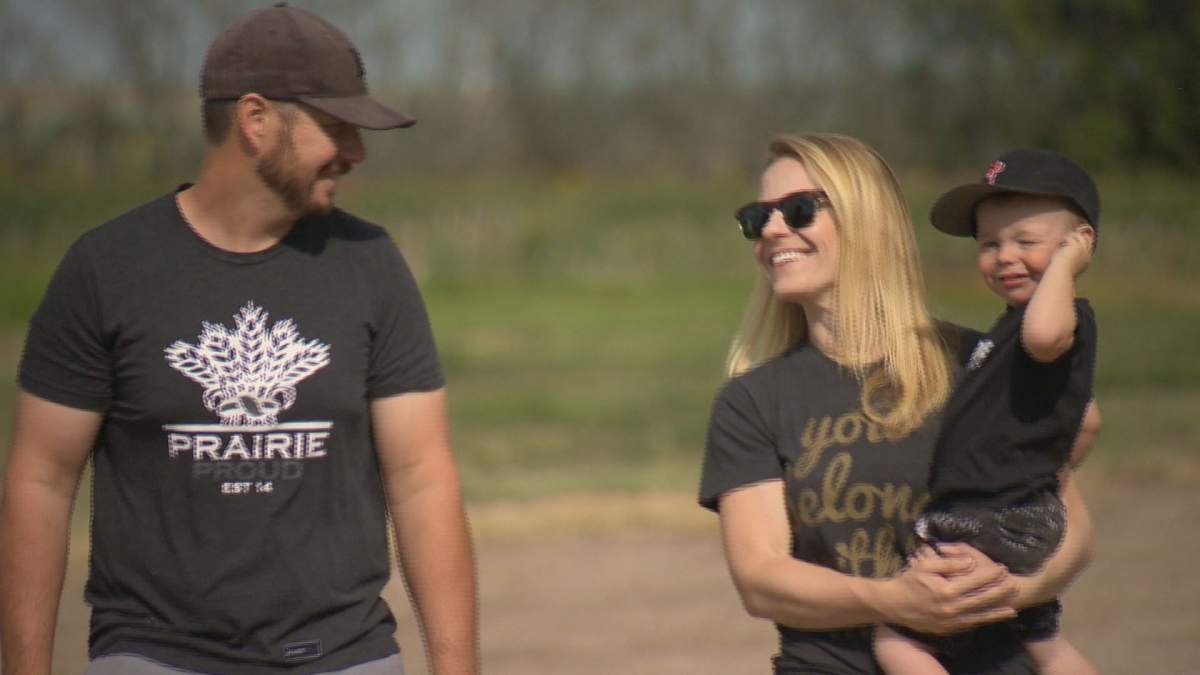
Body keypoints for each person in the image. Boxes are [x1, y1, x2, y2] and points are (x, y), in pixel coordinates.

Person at [0, 5, 478, 674]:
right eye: (336, 127)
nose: (357, 152)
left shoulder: (371, 265)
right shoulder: (105, 269)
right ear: (256, 121)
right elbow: (40, 479)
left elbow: (422, 477)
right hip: (154, 656)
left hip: (344, 654)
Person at [698, 133, 1095, 674]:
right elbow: (760, 579)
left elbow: (1069, 524)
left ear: (867, 220)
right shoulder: (752, 401)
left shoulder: (977, 361)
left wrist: (1016, 589)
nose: (771, 230)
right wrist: (894, 601)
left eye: (797, 210)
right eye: (756, 217)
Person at [874, 149, 1102, 674]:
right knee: (1040, 637)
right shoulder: (1014, 325)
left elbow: (1045, 337)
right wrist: (1052, 472)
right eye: (990, 244)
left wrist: (1065, 267)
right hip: (1019, 508)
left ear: (1081, 241)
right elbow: (1088, 420)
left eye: (1027, 241)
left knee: (898, 637)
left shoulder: (1055, 320)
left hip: (987, 516)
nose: (1004, 256)